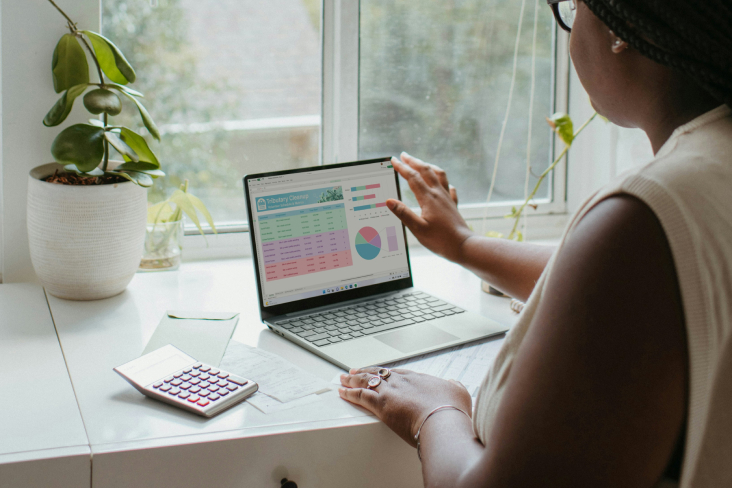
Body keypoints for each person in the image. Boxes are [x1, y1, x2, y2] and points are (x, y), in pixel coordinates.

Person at [338, 0, 732, 486]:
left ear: (620, 29)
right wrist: (463, 244)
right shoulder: (705, 182)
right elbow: (612, 286)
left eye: (572, 7)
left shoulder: (645, 218)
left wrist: (436, 413)